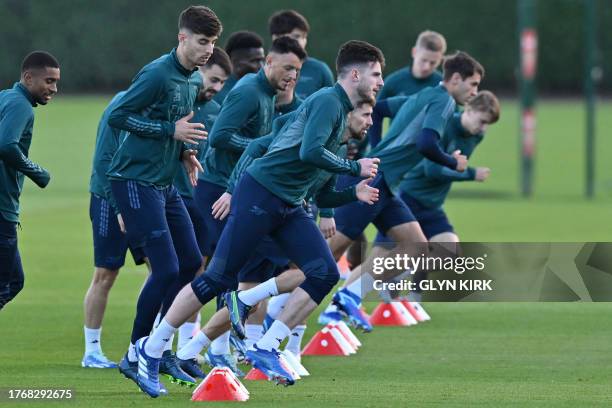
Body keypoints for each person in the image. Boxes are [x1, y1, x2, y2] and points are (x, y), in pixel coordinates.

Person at [139, 40, 384, 391]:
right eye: (376, 74)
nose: (379, 82)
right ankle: (152, 348)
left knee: (324, 272)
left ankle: (266, 346)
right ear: (355, 74)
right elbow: (309, 150)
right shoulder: (329, 101)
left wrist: (352, 192)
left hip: (288, 204)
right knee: (216, 279)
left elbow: (320, 188)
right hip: (261, 194)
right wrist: (352, 167)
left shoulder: (337, 114)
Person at [105, 5, 222, 394]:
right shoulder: (157, 73)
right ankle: (138, 352)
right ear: (182, 38)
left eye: (212, 43)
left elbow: (177, 129)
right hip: (134, 180)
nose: (208, 50)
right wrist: (168, 131)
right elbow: (118, 116)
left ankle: (159, 347)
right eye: (202, 41)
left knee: (191, 263)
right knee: (168, 268)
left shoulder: (192, 81)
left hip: (164, 182)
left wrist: (184, 152)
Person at [322, 51, 483, 331]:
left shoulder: (424, 96)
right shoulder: (443, 100)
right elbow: (426, 143)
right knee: (322, 261)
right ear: (456, 79)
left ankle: (345, 299)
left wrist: (378, 148)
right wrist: (453, 162)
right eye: (473, 84)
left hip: (386, 183)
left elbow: (380, 108)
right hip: (375, 182)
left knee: (417, 247)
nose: (475, 91)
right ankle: (272, 307)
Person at [374, 90, 500, 301]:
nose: (483, 128)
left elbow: (453, 166)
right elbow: (432, 170)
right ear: (468, 109)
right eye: (481, 121)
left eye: (487, 124)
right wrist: (471, 174)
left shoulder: (476, 135)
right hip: (408, 197)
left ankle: (413, 298)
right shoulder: (445, 123)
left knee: (449, 252)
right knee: (384, 257)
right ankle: (351, 299)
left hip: (432, 204)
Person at [83, 91, 150, 369]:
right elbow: (103, 163)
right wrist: (119, 207)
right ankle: (92, 352)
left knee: (161, 268)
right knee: (106, 273)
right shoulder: (121, 108)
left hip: (141, 195)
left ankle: (146, 345)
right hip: (108, 198)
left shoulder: (158, 107)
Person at [0, 51, 59, 310]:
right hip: (2, 209)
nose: (53, 88)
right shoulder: (21, 105)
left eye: (55, 82)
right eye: (48, 81)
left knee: (13, 280)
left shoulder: (5, 97)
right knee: (8, 283)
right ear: (28, 77)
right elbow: (6, 145)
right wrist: (37, 172)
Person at [268, 9, 334, 99]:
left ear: (305, 40)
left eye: (297, 36)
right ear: (275, 38)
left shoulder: (320, 70)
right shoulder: (262, 71)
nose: (293, 42)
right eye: (289, 37)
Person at [213, 31, 265, 105]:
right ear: (233, 61)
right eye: (255, 61)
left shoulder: (263, 91)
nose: (262, 67)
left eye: (262, 61)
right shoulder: (215, 93)